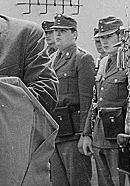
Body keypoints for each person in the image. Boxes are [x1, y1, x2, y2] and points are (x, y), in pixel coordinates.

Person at [81, 16, 129, 186]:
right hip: (100, 136)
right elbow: (95, 101)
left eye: (109, 37)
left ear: (121, 36)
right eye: (102, 37)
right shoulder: (103, 63)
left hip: (118, 136)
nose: (104, 42)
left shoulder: (129, 63)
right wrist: (87, 133)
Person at [49, 14, 94, 186]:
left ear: (74, 34)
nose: (57, 35)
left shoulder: (82, 59)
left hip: (74, 134)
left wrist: (85, 133)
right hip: (56, 132)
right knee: (58, 182)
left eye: (62, 31)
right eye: (55, 31)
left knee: (78, 181)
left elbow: (87, 100)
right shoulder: (51, 61)